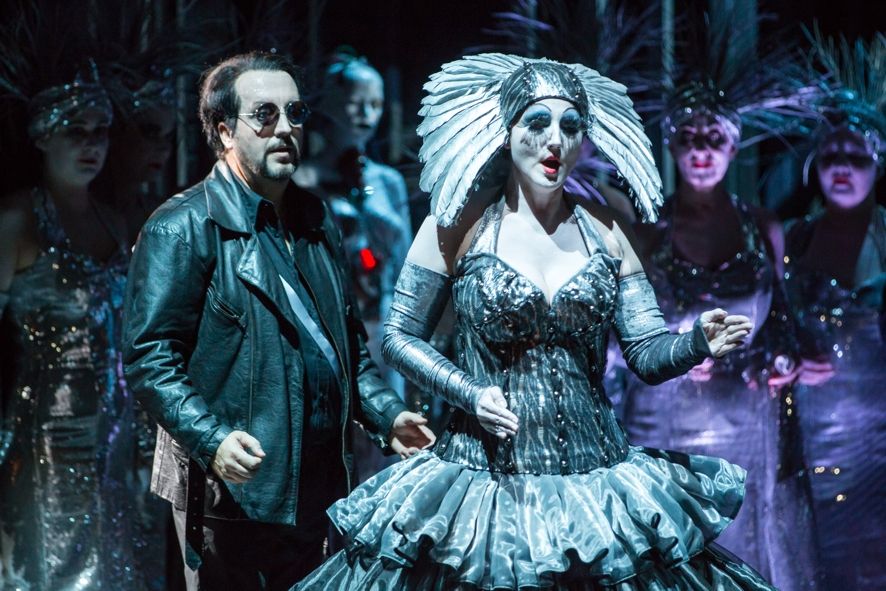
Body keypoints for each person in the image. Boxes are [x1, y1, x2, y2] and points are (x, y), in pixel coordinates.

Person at [297, 54, 775, 590]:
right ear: (505, 131)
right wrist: (469, 392)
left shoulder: (607, 231)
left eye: (571, 126)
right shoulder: (455, 224)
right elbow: (399, 337)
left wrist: (695, 343)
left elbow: (645, 352)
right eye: (537, 122)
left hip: (595, 484)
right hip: (483, 486)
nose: (555, 140)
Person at [121, 51, 433, 591]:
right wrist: (212, 439)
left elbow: (346, 346)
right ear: (224, 132)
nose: (285, 127)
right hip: (232, 495)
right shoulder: (183, 225)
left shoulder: (315, 217)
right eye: (265, 114)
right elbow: (150, 360)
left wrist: (387, 414)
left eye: (295, 112)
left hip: (318, 486)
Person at [614, 13, 821, 589]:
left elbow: (783, 322)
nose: (701, 150)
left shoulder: (763, 227)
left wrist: (781, 358)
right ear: (673, 146)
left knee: (743, 544)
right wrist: (675, 351)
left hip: (745, 419)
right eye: (689, 138)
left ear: (732, 146)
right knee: (671, 548)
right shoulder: (646, 235)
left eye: (714, 139)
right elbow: (619, 336)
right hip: (663, 417)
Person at [0, 62, 144, 588]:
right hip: (47, 425)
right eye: (75, 131)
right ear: (43, 137)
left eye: (100, 131)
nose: (91, 144)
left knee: (115, 558)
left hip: (115, 421)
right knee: (51, 560)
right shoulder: (17, 220)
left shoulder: (116, 221)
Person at [783, 32, 886, 591]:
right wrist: (786, 354)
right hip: (813, 434)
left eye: (856, 157)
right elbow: (771, 325)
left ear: (877, 163)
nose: (842, 167)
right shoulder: (794, 239)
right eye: (831, 157)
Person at [294, 51, 413, 480]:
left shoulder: (386, 182)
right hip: (329, 326)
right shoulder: (304, 178)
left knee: (386, 434)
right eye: (356, 103)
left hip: (382, 322)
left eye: (375, 104)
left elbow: (404, 256)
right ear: (329, 104)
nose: (367, 114)